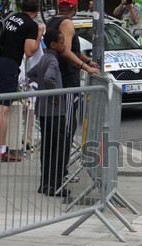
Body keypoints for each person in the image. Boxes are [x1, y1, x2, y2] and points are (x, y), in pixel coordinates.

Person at [0, 0, 44, 162]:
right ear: (37, 11)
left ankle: (2, 149)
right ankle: (1, 151)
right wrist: (38, 34)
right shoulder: (31, 25)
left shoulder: (10, 15)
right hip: (7, 66)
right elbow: (29, 51)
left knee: (1, 104)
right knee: (2, 110)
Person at [46, 0, 99, 182]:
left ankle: (52, 173)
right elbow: (66, 51)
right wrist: (86, 67)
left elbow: (70, 48)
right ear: (75, 9)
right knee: (66, 130)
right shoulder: (67, 23)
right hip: (67, 82)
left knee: (58, 129)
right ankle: (60, 174)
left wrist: (86, 60)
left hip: (60, 82)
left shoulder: (53, 20)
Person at [27, 29, 70, 197]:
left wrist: (41, 88)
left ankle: (44, 184)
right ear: (53, 44)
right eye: (61, 43)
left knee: (47, 148)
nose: (64, 45)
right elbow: (48, 78)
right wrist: (55, 94)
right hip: (55, 112)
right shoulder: (53, 60)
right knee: (59, 148)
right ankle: (56, 186)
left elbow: (32, 74)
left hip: (43, 112)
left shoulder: (44, 58)